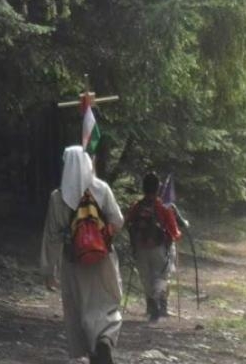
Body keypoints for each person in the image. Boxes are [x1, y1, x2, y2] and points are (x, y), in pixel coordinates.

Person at [40, 146, 124, 364]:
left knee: (79, 307)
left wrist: (49, 271)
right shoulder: (101, 189)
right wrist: (101, 235)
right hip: (103, 258)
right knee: (107, 303)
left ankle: (90, 350)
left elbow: (52, 237)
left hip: (73, 261)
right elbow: (118, 220)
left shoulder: (57, 197)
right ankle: (104, 338)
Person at [125, 172, 187, 322]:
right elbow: (174, 232)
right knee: (162, 276)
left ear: (143, 188)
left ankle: (152, 305)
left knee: (146, 278)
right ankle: (157, 300)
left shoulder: (137, 205)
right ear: (158, 188)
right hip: (159, 248)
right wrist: (177, 235)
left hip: (140, 248)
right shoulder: (163, 206)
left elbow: (126, 223)